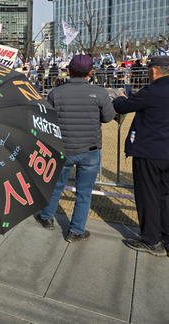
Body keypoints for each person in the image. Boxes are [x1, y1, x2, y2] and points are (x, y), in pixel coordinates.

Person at [36, 55, 116, 242]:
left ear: (69, 71)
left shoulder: (56, 93)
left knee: (55, 186)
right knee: (84, 192)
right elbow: (108, 117)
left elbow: (49, 119)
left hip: (62, 148)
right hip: (90, 149)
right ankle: (76, 230)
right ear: (90, 72)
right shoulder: (100, 93)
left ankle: (47, 217)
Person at [113, 56, 169, 256]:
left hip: (150, 152)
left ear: (154, 71)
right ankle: (166, 238)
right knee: (166, 197)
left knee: (148, 196)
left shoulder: (152, 91)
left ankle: (151, 240)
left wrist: (120, 96)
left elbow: (121, 107)